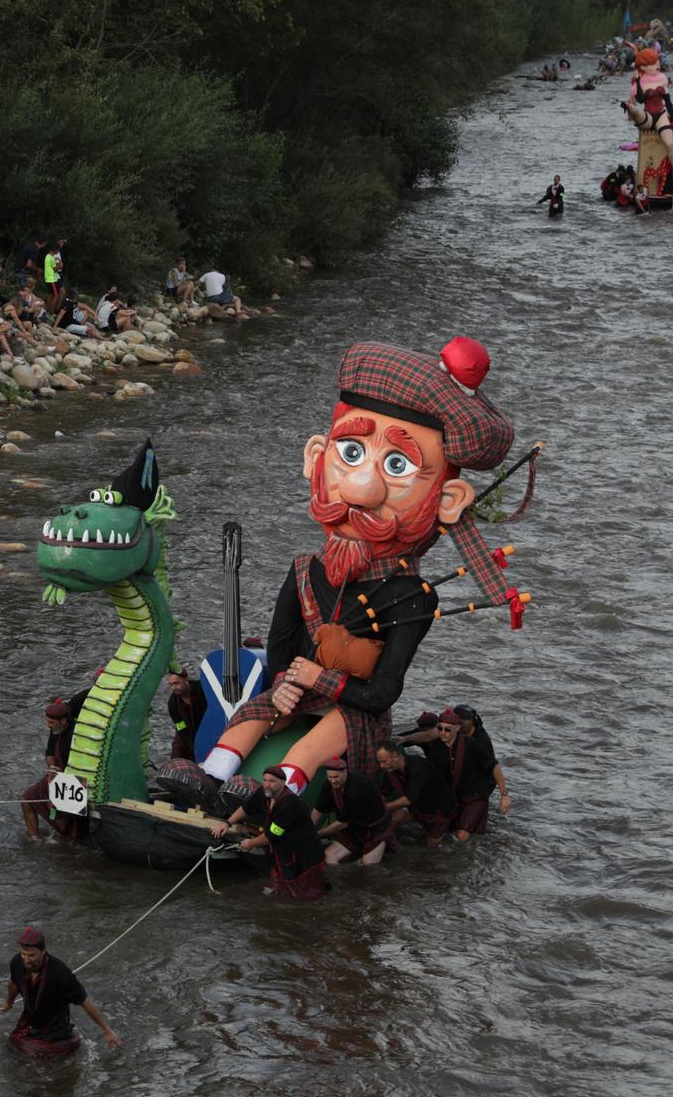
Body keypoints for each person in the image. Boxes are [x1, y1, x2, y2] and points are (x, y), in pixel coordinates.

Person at [163, 338, 517, 805]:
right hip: (299, 690)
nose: (360, 488)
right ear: (317, 457)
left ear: (449, 501)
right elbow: (281, 649)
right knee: (254, 711)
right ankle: (211, 774)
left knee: (317, 741)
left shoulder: (414, 596)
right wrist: (288, 684)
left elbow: (383, 691)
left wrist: (319, 679)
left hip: (356, 712)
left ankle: (280, 790)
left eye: (397, 466)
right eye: (350, 453)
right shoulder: (305, 570)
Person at [4, 927, 120, 1057]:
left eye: (31, 955)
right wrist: (9, 1002)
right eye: (23, 954)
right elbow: (13, 983)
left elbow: (85, 1001)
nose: (26, 960)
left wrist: (107, 1030)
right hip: (30, 1020)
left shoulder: (60, 973)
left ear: (43, 952)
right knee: (12, 1048)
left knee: (44, 1059)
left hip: (55, 1029)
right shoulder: (16, 962)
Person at [225, 765, 327, 899]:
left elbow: (272, 835)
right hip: (283, 852)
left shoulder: (290, 804)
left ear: (283, 783)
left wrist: (251, 843)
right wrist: (227, 823)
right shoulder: (263, 792)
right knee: (282, 891)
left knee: (307, 896)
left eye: (272, 781)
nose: (267, 785)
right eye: (265, 780)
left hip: (304, 855)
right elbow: (247, 808)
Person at [21, 693, 88, 839]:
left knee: (75, 819)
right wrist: (52, 766)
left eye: (51, 723)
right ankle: (34, 838)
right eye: (47, 721)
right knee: (27, 799)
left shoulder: (78, 734)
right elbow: (49, 753)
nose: (48, 725)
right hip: (58, 776)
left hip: (75, 780)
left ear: (63, 721)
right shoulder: (55, 730)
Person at [436, 708, 508, 840]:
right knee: (441, 833)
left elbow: (494, 766)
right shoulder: (437, 748)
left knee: (462, 835)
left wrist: (504, 795)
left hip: (475, 795)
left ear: (457, 729)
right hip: (454, 796)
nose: (442, 733)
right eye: (439, 728)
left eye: (447, 730)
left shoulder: (472, 744)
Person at [314, 756, 393, 866]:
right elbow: (318, 810)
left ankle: (382, 845)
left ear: (345, 772)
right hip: (353, 829)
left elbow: (342, 823)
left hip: (374, 829)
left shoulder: (356, 790)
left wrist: (317, 834)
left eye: (336, 777)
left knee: (369, 865)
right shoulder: (329, 784)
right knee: (328, 857)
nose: (333, 781)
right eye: (329, 777)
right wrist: (309, 829)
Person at [376, 742, 454, 847]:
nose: (381, 766)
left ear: (395, 756)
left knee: (431, 848)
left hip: (438, 809)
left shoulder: (417, 765)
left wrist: (385, 807)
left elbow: (409, 799)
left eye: (384, 761)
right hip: (417, 807)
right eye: (379, 762)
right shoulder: (391, 771)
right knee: (389, 822)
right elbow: (383, 793)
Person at [164, 666, 203, 762]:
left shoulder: (202, 688)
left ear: (185, 680)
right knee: (176, 758)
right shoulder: (172, 703)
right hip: (187, 733)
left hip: (208, 727)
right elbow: (180, 726)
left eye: (176, 683)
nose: (173, 688)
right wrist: (192, 745)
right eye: (171, 685)